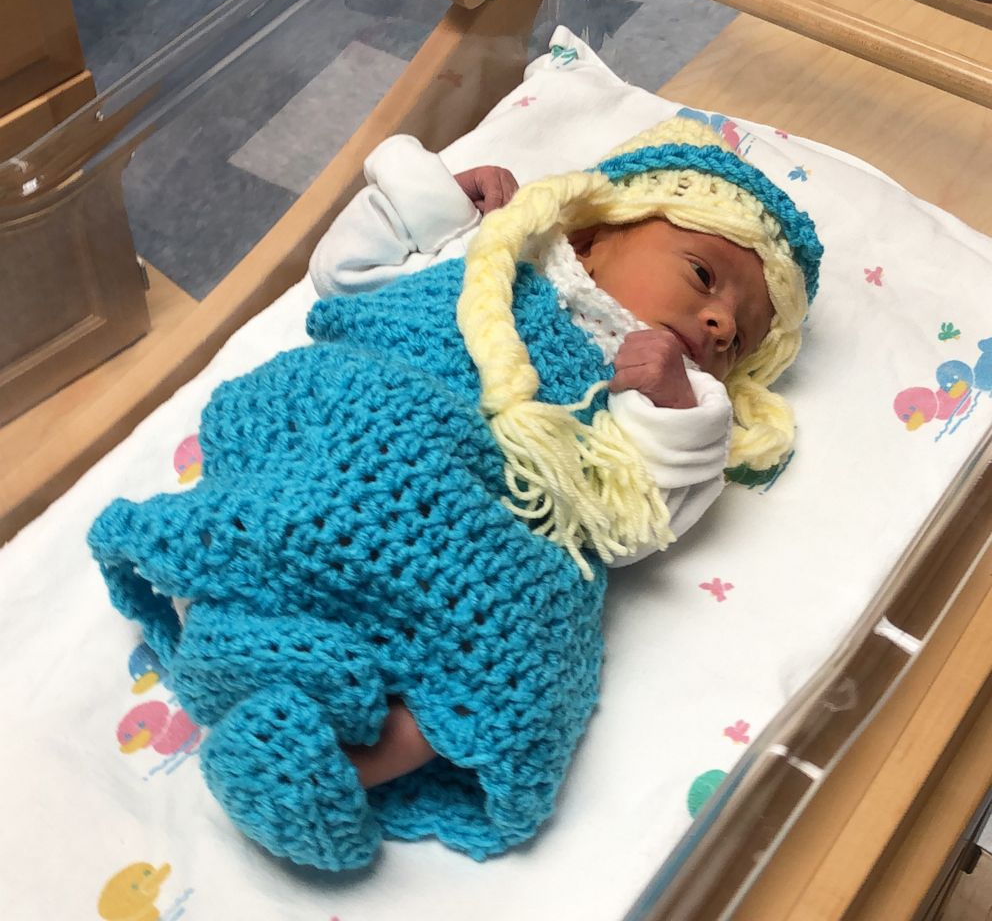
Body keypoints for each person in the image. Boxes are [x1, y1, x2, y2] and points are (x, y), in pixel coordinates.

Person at [88, 116, 822, 872]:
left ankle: (352, 756)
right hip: (366, 416)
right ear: (596, 235)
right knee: (305, 502)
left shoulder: (670, 396)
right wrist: (427, 209)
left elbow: (632, 528)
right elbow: (347, 277)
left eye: (735, 338)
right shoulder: (499, 255)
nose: (718, 320)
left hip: (491, 528)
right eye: (704, 276)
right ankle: (236, 629)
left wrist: (676, 414)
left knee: (534, 633)